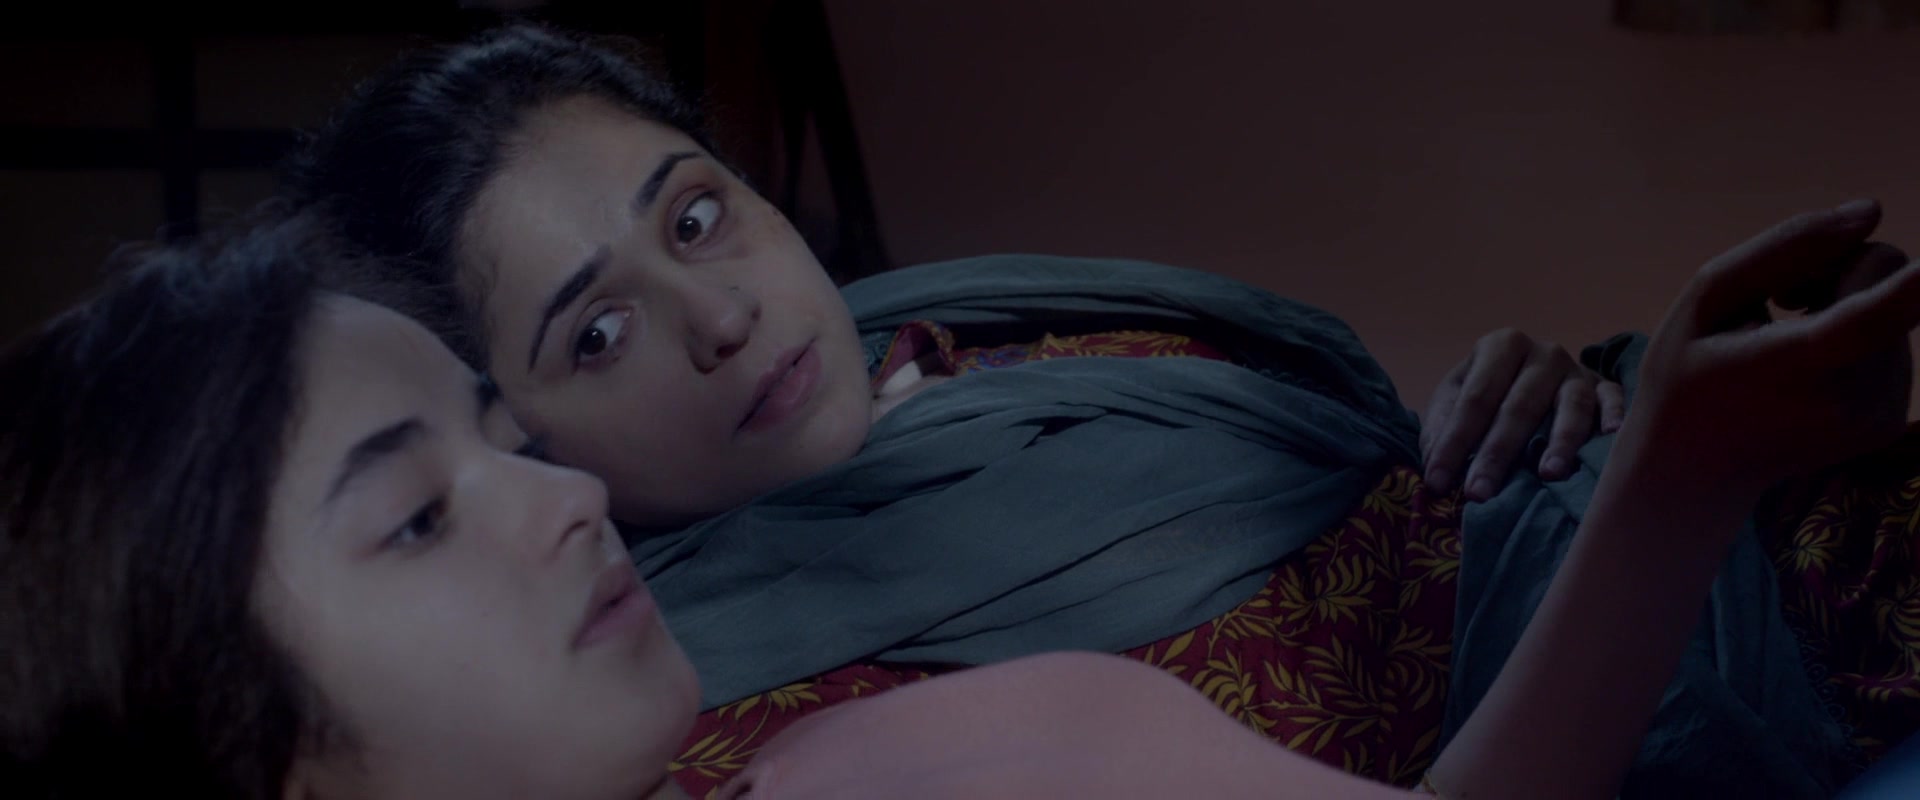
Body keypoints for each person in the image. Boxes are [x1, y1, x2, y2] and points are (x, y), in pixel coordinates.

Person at [1, 205, 1911, 798]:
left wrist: (1661, 458)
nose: (558, 499)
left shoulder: (937, 755)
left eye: (500, 441)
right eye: (417, 516)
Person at [282, 23, 1621, 719]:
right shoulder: (727, 719)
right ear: (512, 441)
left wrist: (1545, 405)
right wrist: (1649, 514)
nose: (722, 316)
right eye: (598, 334)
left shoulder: (976, 323)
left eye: (693, 217)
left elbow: (1406, 465)